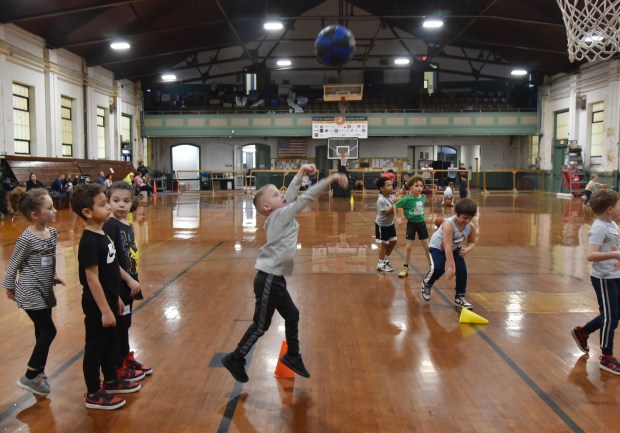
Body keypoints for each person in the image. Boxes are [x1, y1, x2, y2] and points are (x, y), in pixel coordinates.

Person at [221, 164, 348, 383]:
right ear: (268, 206)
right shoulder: (280, 216)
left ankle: (292, 356)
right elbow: (304, 198)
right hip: (268, 278)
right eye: (276, 194)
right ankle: (235, 357)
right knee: (261, 326)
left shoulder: (278, 214)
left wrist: (300, 173)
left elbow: (290, 196)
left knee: (292, 314)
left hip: (273, 278)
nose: (283, 195)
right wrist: (330, 180)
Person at [71, 183, 141, 410]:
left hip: (111, 301)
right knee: (95, 348)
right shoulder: (89, 241)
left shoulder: (102, 234)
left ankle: (111, 380)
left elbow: (111, 269)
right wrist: (104, 310)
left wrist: (117, 299)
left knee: (111, 344)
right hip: (97, 305)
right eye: (103, 205)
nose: (109, 208)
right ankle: (93, 392)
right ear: (87, 213)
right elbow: (92, 279)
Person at [2, 188, 64, 397]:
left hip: (45, 289)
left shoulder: (52, 233)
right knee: (50, 331)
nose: (54, 210)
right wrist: (9, 287)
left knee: (41, 332)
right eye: (49, 208)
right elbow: (13, 265)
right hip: (29, 291)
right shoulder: (27, 239)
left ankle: (39, 373)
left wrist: (53, 274)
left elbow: (50, 259)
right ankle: (29, 376)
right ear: (35, 215)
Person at [103, 181, 151, 379]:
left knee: (126, 324)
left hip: (129, 285)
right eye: (116, 200)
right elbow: (110, 260)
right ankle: (117, 365)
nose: (121, 205)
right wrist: (129, 280)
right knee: (118, 327)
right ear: (108, 202)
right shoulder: (110, 225)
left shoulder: (128, 224)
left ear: (132, 203)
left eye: (126, 201)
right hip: (119, 285)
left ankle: (126, 358)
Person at [571, 189, 620, 375]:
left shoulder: (612, 224)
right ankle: (606, 357)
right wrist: (615, 254)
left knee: (615, 313)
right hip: (605, 278)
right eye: (618, 205)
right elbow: (591, 255)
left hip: (616, 275)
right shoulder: (599, 227)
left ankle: (583, 332)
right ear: (610, 209)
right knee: (610, 317)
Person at [421, 198, 478, 309]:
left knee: (462, 271)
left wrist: (467, 249)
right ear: (456, 214)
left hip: (454, 247)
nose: (467, 221)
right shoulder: (448, 224)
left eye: (470, 218)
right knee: (438, 268)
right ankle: (427, 283)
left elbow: (472, 242)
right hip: (438, 247)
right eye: (464, 218)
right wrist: (452, 267)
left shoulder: (470, 226)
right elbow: (447, 246)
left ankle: (460, 296)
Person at [395, 176, 430, 278]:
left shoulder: (423, 197)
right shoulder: (407, 199)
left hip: (421, 224)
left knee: (427, 246)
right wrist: (397, 218)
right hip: (411, 224)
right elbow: (395, 205)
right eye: (416, 186)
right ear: (410, 187)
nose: (419, 188)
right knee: (409, 247)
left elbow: (417, 210)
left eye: (421, 186)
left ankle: (431, 265)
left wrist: (408, 215)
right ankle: (405, 267)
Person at [375, 175, 398, 272]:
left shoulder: (391, 197)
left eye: (391, 185)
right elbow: (387, 213)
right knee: (384, 244)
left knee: (393, 241)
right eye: (388, 185)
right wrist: (395, 203)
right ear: (382, 188)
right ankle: (380, 264)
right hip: (382, 225)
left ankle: (385, 260)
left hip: (390, 224)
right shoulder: (381, 200)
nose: (391, 187)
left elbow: (395, 209)